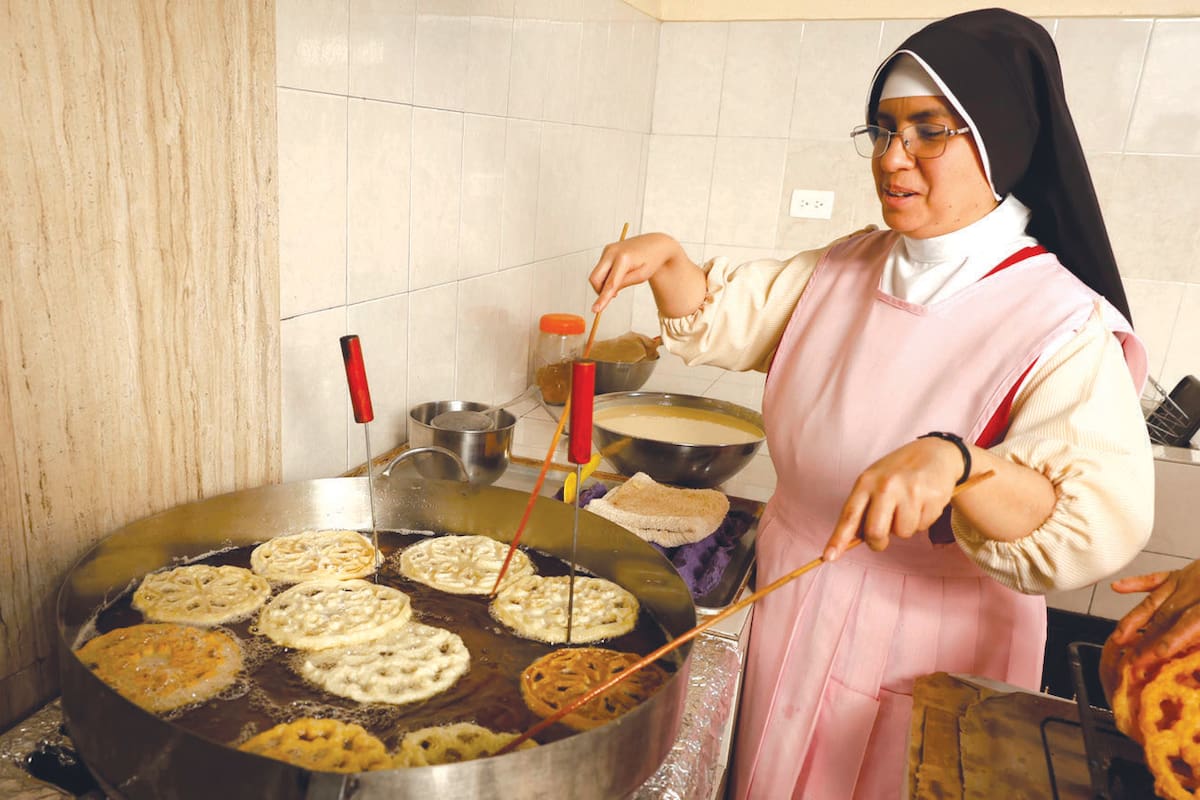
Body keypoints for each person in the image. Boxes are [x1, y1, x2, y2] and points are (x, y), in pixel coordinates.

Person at [588, 9, 1154, 799]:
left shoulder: (1060, 322)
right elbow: (727, 314)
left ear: (998, 140)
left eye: (928, 132)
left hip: (934, 637)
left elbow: (1091, 525)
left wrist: (961, 466)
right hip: (793, 595)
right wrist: (667, 260)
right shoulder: (852, 263)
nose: (894, 159)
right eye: (883, 130)